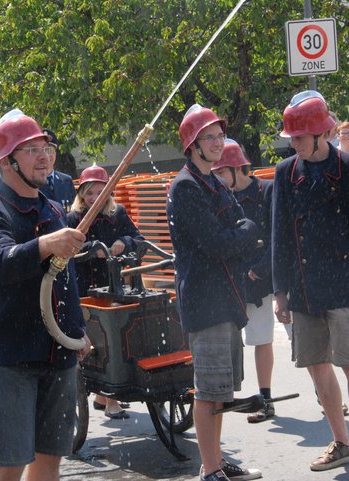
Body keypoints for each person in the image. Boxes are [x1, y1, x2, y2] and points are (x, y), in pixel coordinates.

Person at [0, 110, 89, 481]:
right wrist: (46, 242)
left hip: (57, 352)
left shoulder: (53, 209)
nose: (44, 157)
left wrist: (77, 330)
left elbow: (65, 281)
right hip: (10, 355)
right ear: (6, 162)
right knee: (10, 464)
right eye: (31, 149)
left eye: (45, 148)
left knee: (50, 460)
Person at [272, 90, 349, 479]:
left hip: (345, 285)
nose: (294, 143)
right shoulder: (286, 173)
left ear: (322, 134)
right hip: (302, 289)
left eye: (299, 136)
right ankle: (341, 441)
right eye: (293, 138)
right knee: (317, 366)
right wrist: (280, 290)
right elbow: (280, 233)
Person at [167, 104, 261, 481]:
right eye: (210, 137)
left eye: (220, 136)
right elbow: (217, 242)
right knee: (208, 391)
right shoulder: (188, 186)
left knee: (221, 390)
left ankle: (216, 463)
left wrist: (242, 232)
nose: (219, 143)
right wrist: (246, 232)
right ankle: (209, 471)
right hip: (206, 300)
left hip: (223, 296)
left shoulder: (210, 181)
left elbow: (235, 230)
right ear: (193, 145)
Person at [67, 163, 144, 420]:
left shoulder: (118, 213)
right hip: (84, 287)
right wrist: (93, 249)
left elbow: (138, 237)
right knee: (98, 342)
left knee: (114, 339)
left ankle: (105, 396)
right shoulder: (74, 219)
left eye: (100, 191)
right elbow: (69, 249)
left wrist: (124, 241)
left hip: (113, 285)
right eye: (89, 193)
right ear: (81, 195)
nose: (94, 198)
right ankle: (109, 400)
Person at [211, 140, 276, 424]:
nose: (218, 181)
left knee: (297, 342)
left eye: (221, 173)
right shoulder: (220, 197)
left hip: (269, 276)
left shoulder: (267, 191)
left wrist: (262, 268)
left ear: (237, 168)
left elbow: (278, 235)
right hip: (237, 278)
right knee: (245, 339)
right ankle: (255, 397)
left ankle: (323, 395)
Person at [38, 128, 77, 212]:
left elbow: (75, 211)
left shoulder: (66, 181)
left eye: (51, 150)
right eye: (45, 150)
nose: (49, 155)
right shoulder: (32, 182)